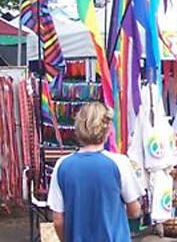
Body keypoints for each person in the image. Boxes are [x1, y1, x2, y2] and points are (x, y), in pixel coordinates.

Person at [49, 103, 144, 242]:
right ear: (107, 130)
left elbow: (58, 220)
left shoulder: (62, 166)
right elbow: (134, 211)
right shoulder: (120, 163)